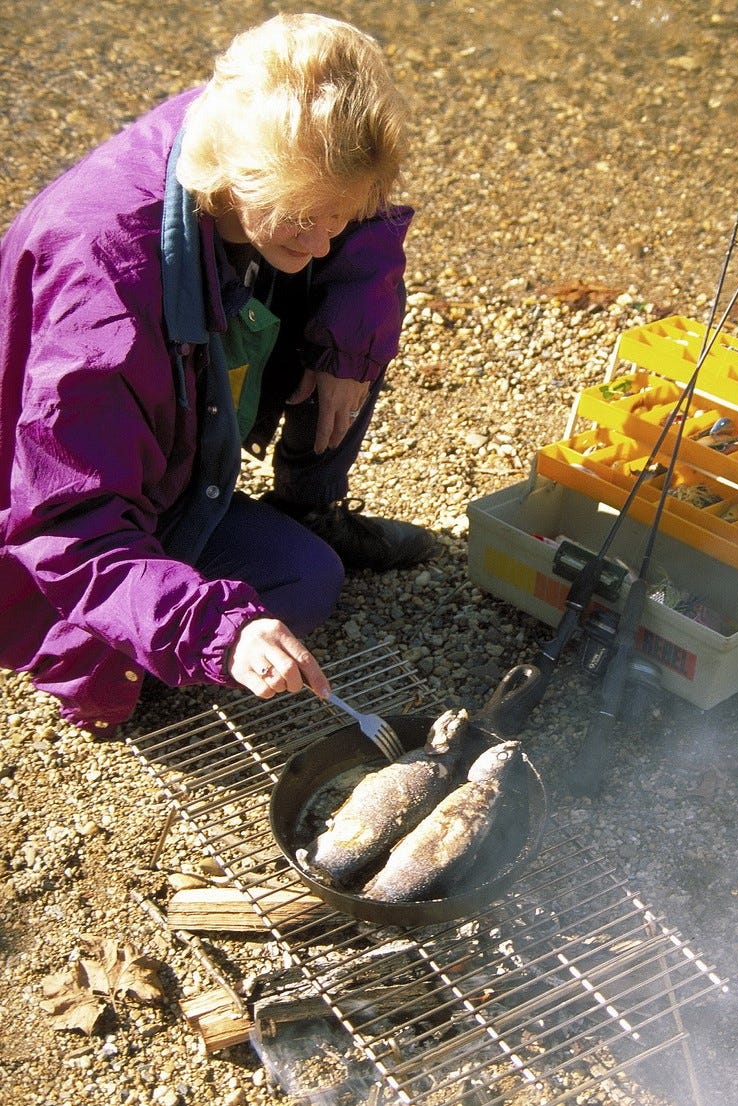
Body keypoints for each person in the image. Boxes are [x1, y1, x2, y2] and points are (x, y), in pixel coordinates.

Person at [0, 13, 437, 737]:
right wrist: (220, 632)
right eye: (303, 217)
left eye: (336, 214)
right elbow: (67, 526)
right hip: (62, 512)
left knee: (355, 307)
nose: (325, 238)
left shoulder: (260, 122)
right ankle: (140, 636)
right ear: (235, 173)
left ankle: (309, 506)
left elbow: (363, 225)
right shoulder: (106, 288)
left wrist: (349, 350)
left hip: (189, 415)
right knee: (306, 582)